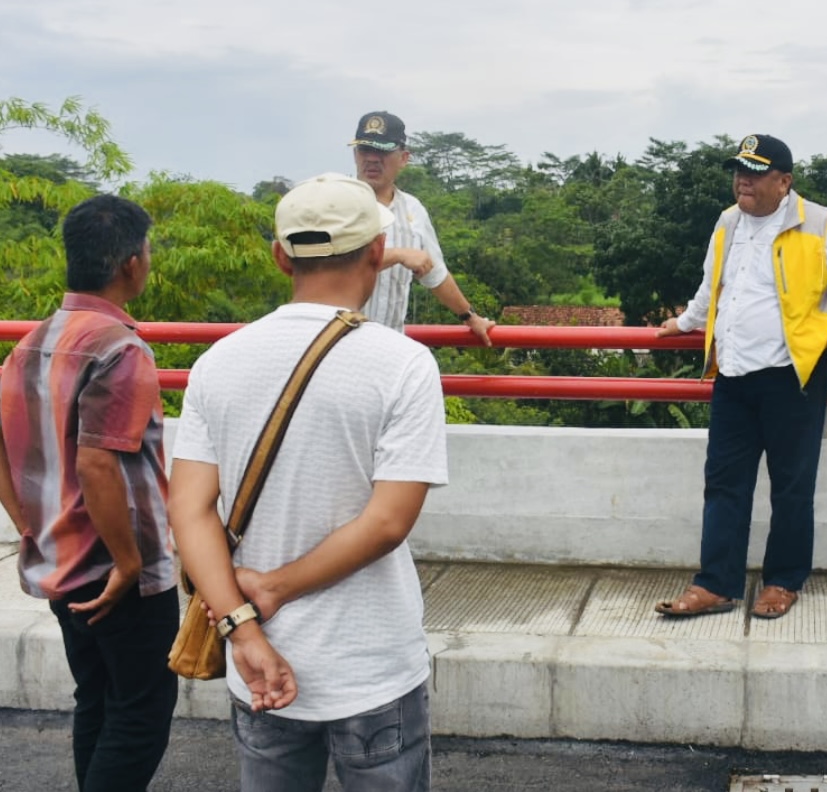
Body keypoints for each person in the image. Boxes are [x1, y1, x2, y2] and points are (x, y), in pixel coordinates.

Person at [168, 173, 448, 791]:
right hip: (370, 666)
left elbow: (187, 511)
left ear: (280, 257)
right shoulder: (403, 363)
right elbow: (387, 522)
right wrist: (273, 588)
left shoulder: (217, 361)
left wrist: (243, 624)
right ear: (378, 251)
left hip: (256, 660)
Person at [654, 134, 827, 620]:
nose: (744, 178)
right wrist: (685, 322)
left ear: (784, 182)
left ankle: (783, 581)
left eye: (757, 172)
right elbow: (712, 283)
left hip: (793, 377)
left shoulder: (820, 223)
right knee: (723, 483)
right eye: (740, 169)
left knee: (791, 486)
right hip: (734, 374)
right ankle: (716, 584)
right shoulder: (727, 222)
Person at [0, 195, 178, 791]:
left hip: (59, 561)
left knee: (98, 700)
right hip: (118, 570)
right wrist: (129, 563)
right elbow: (99, 464)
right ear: (131, 264)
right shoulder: (120, 348)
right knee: (140, 713)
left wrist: (30, 524)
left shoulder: (31, 343)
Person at [349, 110, 495, 344]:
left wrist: (470, 317)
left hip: (389, 345)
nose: (372, 158)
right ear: (356, 154)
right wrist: (397, 255)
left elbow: (435, 274)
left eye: (383, 150)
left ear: (404, 158)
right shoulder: (336, 204)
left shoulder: (413, 209)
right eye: (366, 150)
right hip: (338, 345)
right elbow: (334, 266)